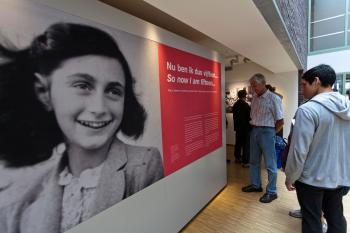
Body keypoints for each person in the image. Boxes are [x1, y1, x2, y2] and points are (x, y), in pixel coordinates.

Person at [0, 22, 164, 233]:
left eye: (113, 91)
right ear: (44, 92)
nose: (99, 108)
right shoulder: (22, 199)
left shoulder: (143, 165)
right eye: (82, 86)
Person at [285, 64, 350, 233]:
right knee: (336, 219)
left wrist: (290, 176)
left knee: (312, 221)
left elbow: (299, 151)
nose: (302, 89)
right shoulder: (347, 107)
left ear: (316, 81)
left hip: (311, 179)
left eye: (304, 84)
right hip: (338, 177)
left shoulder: (307, 110)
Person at [242, 73, 284, 203]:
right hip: (254, 130)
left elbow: (280, 121)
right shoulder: (254, 97)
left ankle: (272, 191)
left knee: (270, 164)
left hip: (267, 131)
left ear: (263, 83)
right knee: (253, 161)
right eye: (252, 85)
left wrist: (271, 132)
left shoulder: (273, 98)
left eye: (255, 85)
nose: (253, 88)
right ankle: (256, 185)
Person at [232, 89, 251, 167]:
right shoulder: (246, 105)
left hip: (238, 127)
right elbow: (249, 117)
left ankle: (237, 158)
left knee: (238, 143)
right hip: (245, 128)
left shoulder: (235, 105)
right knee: (246, 144)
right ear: (245, 96)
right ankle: (245, 161)